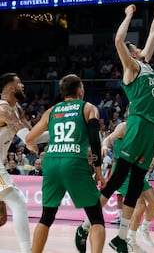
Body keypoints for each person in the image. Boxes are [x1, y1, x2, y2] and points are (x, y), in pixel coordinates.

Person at [75, 0, 154, 253]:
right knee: (117, 180)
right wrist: (128, 15)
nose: (140, 48)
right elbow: (118, 41)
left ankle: (121, 237)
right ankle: (85, 225)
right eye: (135, 47)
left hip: (152, 128)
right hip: (138, 124)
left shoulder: (146, 63)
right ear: (131, 53)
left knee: (136, 183)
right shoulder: (131, 68)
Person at [25, 74, 106, 253]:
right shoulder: (88, 108)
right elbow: (95, 140)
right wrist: (99, 172)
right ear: (79, 90)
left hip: (52, 162)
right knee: (96, 219)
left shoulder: (51, 111)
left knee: (46, 217)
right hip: (74, 162)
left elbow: (30, 138)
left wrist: (35, 149)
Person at [101, 121, 154, 251]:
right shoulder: (124, 126)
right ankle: (130, 240)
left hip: (136, 171)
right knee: (140, 205)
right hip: (122, 172)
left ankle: (144, 228)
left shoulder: (145, 130)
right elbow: (109, 138)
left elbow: (151, 155)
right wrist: (105, 145)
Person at [0, 72, 48, 253]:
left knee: (3, 217)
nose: (23, 86)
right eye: (19, 83)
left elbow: (32, 134)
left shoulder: (17, 109)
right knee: (18, 203)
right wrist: (30, 144)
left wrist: (59, 132)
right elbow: (23, 134)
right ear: (11, 88)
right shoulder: (3, 108)